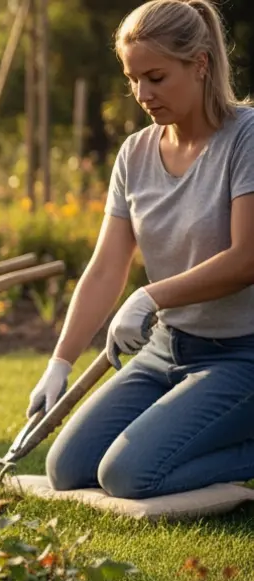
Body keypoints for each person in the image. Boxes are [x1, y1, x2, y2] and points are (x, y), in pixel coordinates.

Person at [28, 0, 254, 500]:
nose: (142, 94)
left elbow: (247, 259)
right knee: (68, 468)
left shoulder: (246, 138)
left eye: (155, 77)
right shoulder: (135, 153)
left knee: (129, 475)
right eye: (133, 79)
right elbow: (107, 266)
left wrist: (149, 297)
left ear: (199, 64)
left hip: (241, 354)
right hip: (166, 350)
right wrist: (60, 362)